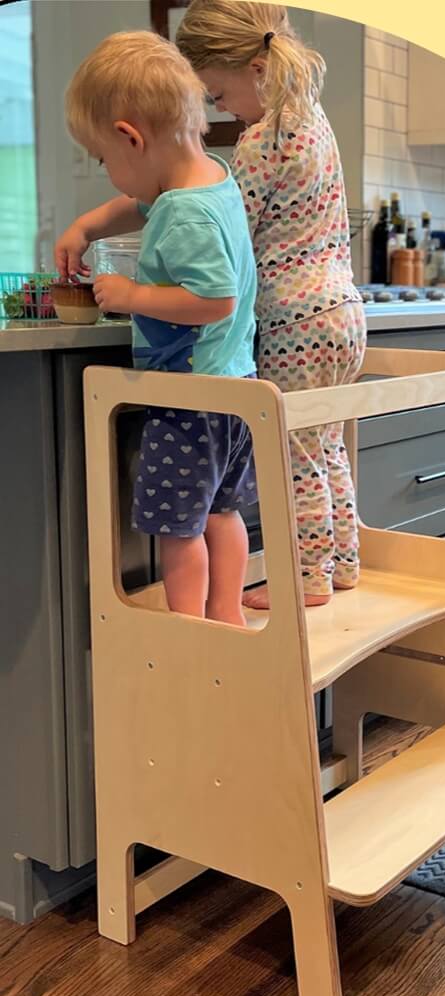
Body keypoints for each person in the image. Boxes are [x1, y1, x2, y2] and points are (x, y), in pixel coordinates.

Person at [56, 30, 258, 626]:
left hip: (188, 399)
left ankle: (189, 632)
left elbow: (214, 299)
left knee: (177, 528)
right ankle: (226, 618)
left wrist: (131, 294)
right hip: (234, 391)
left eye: (103, 160)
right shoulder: (211, 181)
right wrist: (86, 227)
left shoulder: (182, 210)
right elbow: (139, 202)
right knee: (222, 516)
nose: (110, 174)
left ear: (130, 138)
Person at [177, 1, 367, 609]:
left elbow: (236, 227)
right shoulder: (313, 120)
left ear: (256, 67)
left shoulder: (263, 138)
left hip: (296, 323)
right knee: (326, 447)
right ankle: (341, 566)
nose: (220, 107)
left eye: (218, 92)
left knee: (294, 457)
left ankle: (302, 580)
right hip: (343, 314)